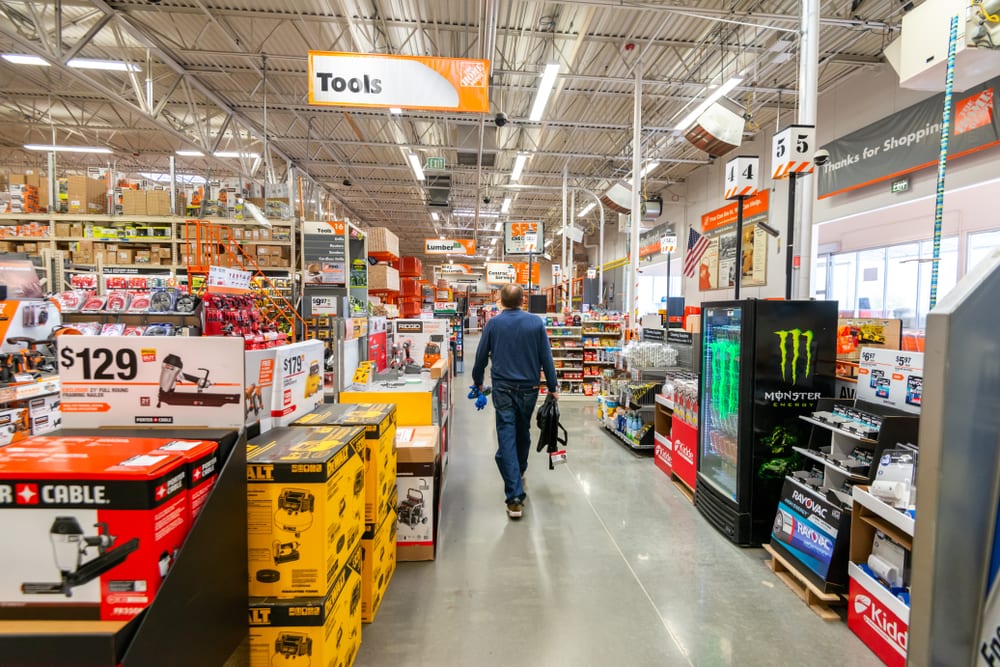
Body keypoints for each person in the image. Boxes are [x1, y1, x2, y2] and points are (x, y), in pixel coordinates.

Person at [472, 283, 558, 519]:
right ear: (523, 301)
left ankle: (514, 498)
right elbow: (546, 356)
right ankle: (518, 473)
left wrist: (477, 381)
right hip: (530, 389)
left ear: (501, 300)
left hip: (503, 389)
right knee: (523, 432)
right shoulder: (535, 323)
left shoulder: (493, 324)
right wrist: (553, 386)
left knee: (507, 436)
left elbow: (481, 356)